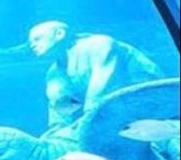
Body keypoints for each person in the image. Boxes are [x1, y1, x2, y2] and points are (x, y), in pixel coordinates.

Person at [27, 21, 161, 131]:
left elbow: (102, 85)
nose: (32, 45)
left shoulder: (100, 44)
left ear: (59, 34)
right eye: (31, 42)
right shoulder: (54, 72)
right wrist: (57, 132)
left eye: (37, 39)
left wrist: (88, 118)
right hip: (111, 116)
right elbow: (59, 104)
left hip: (153, 103)